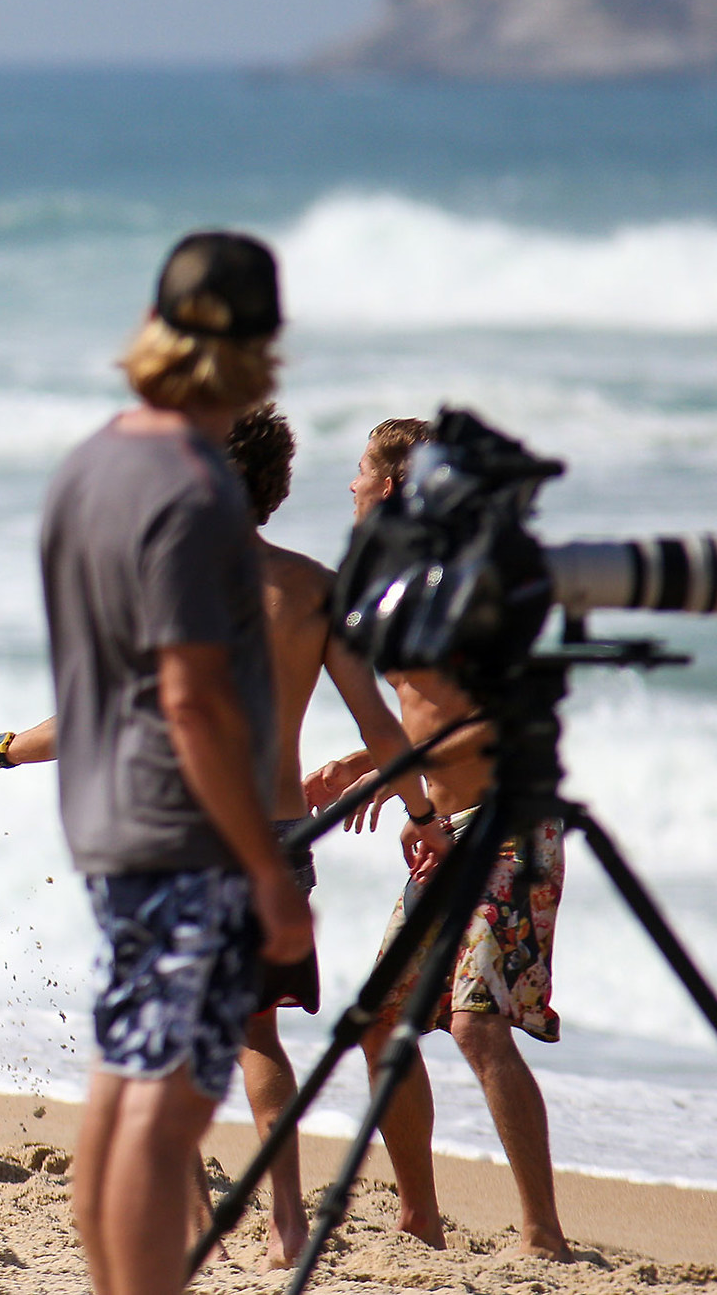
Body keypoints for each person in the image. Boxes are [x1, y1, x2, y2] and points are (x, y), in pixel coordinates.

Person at [0, 403, 446, 1270]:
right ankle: (288, 1217)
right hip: (279, 832)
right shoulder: (315, 587)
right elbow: (386, 730)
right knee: (257, 1035)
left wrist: (2, 751)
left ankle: (186, 1224)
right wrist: (423, 816)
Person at [32, 231, 312, 1295]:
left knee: (122, 1089)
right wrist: (267, 864)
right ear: (258, 345)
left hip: (105, 817)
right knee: (166, 1108)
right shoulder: (196, 493)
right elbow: (191, 702)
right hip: (185, 829)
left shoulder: (92, 462)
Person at [303, 417, 572, 1261]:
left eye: (357, 472)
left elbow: (496, 720)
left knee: (475, 1024)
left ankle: (544, 1235)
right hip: (444, 832)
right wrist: (366, 759)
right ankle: (420, 1211)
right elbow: (429, 712)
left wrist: (391, 779)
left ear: (388, 487)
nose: (347, 485)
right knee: (380, 1023)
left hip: (503, 827)